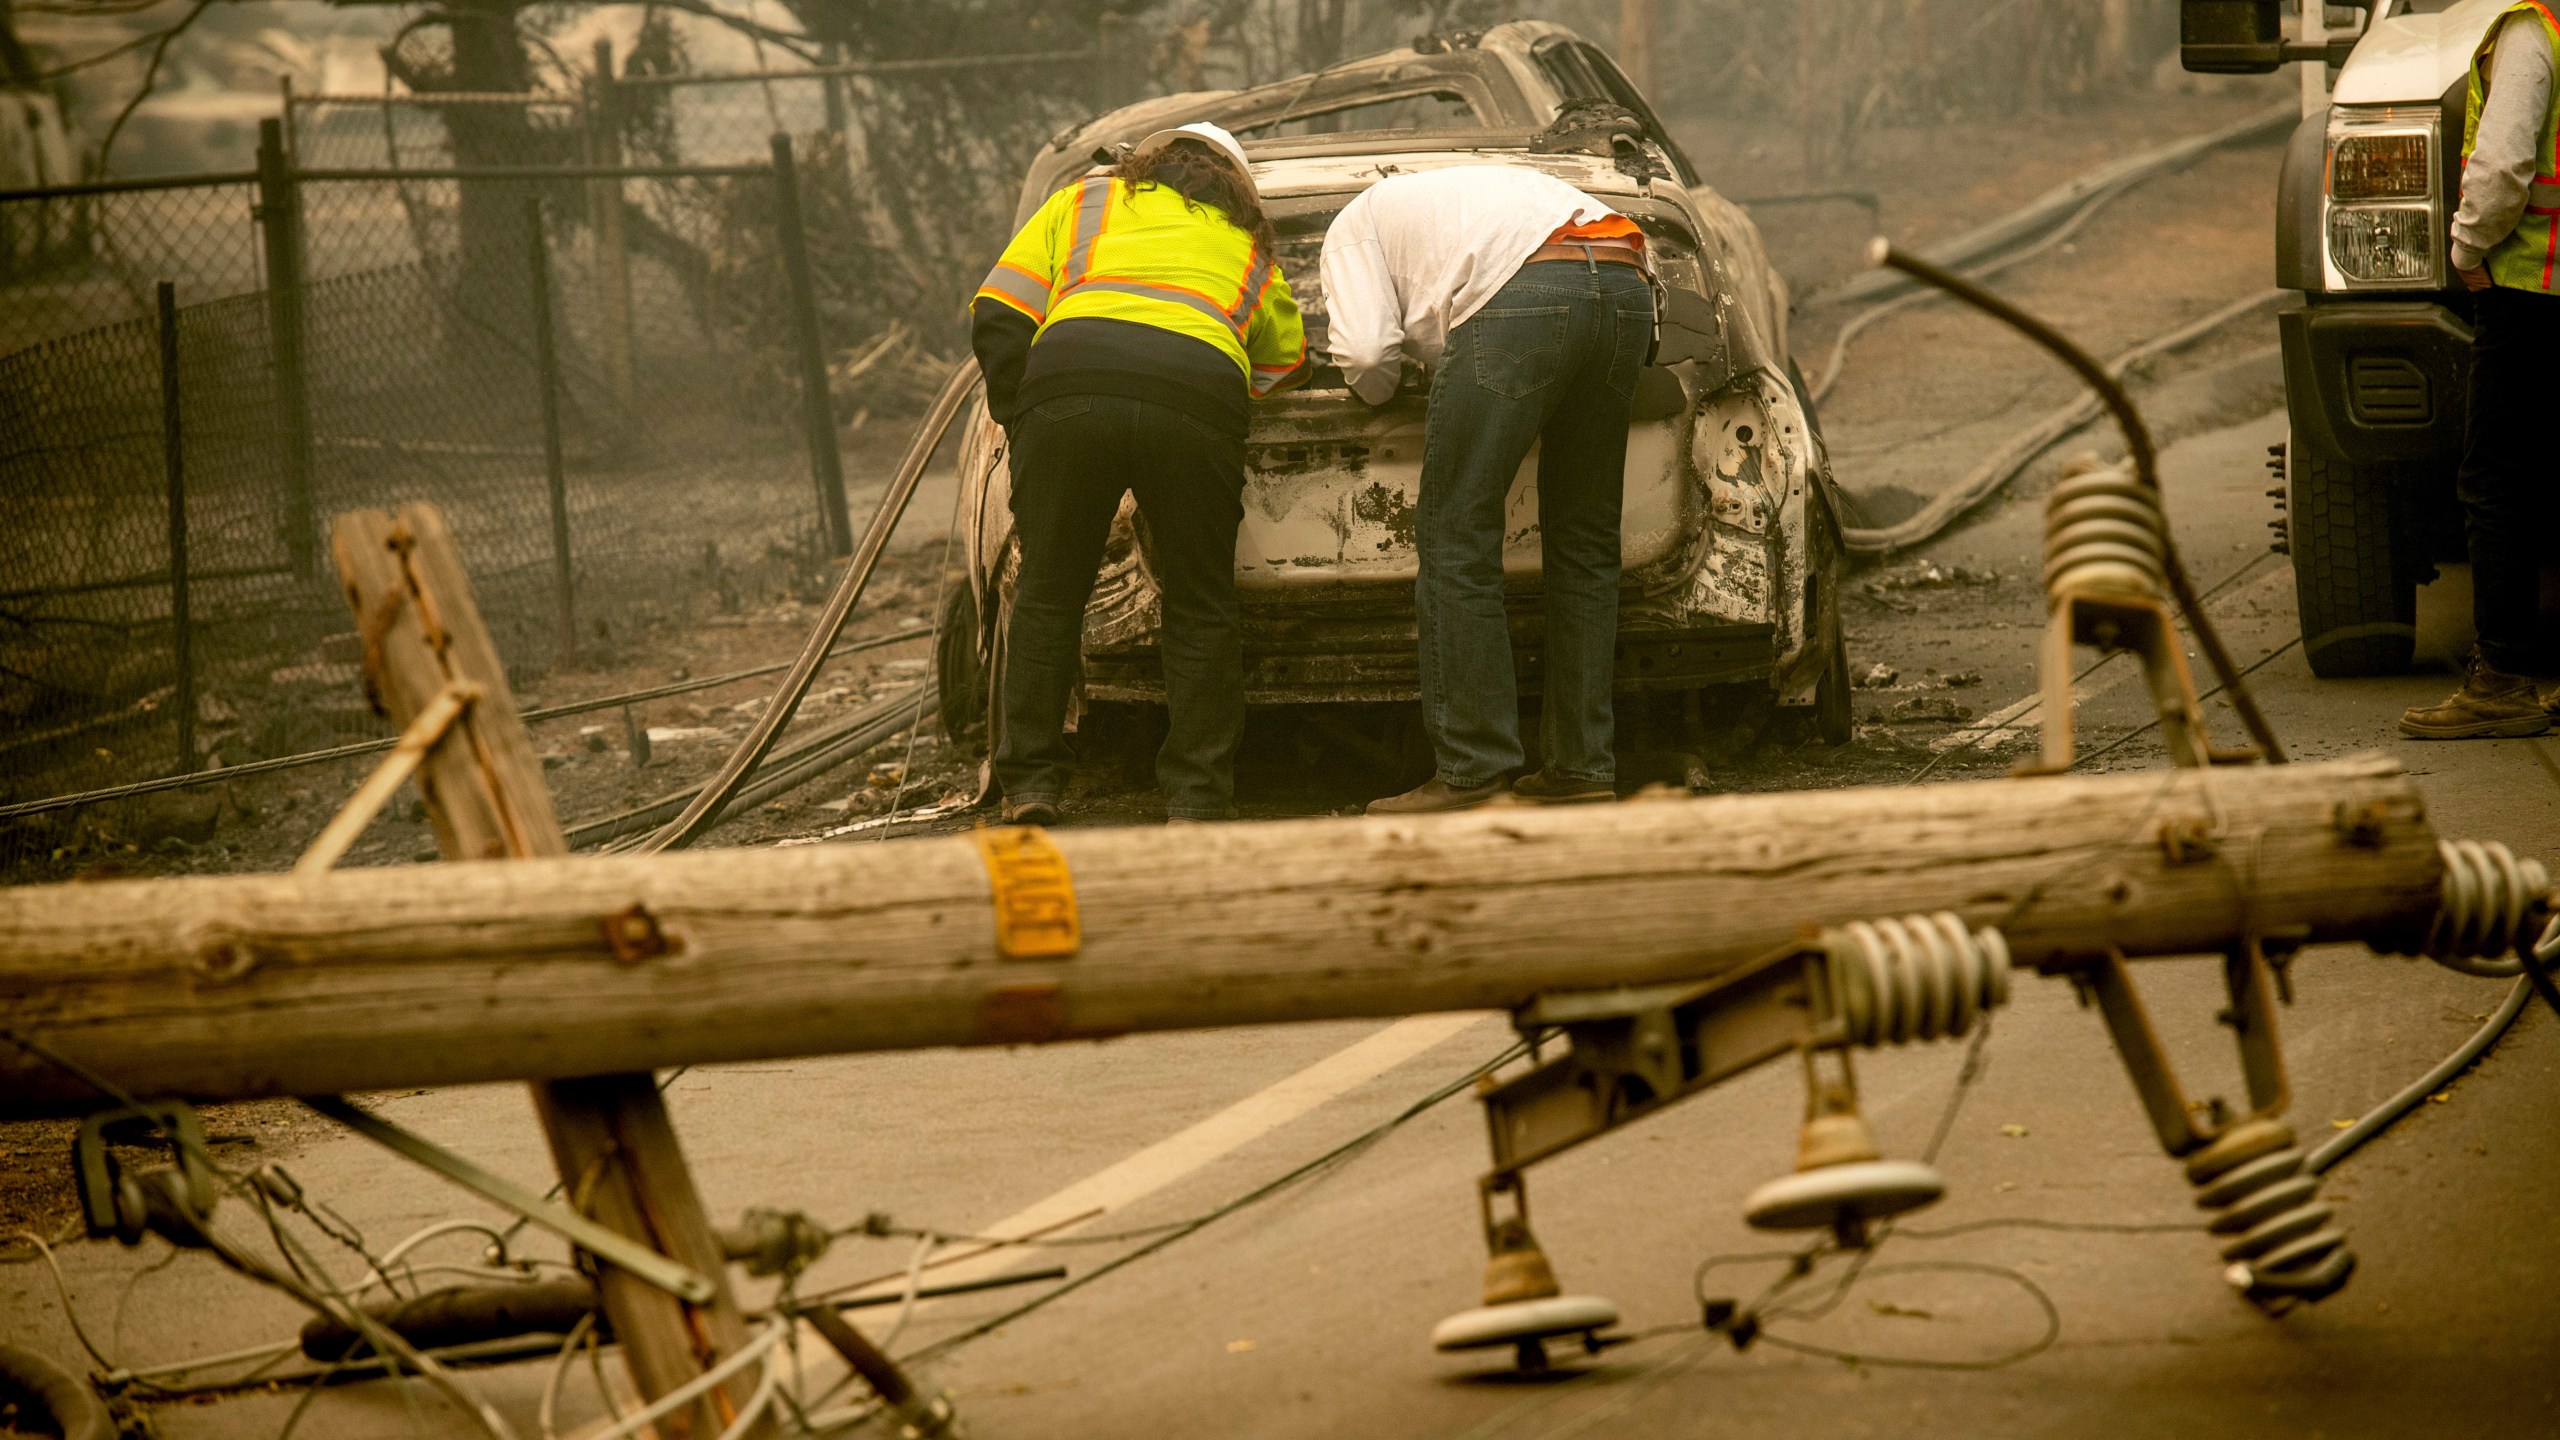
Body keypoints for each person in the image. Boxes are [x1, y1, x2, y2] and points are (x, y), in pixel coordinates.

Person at [969, 122, 1306, 824]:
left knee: (1048, 594)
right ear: (1234, 184)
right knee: (1200, 602)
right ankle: (1197, 794)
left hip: (1071, 387)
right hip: (1195, 398)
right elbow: (1284, 363)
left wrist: (1023, 415)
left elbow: (999, 310)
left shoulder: (1085, 201)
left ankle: (1030, 783)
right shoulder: (1249, 248)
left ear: (1149, 159)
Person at [1321, 114, 1657, 813]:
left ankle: (1472, 770)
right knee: (1587, 541)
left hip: (1522, 293)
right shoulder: (1477, 194)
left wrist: (1384, 392)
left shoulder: (1354, 222)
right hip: (1625, 277)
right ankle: (1582, 767)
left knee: (1458, 534)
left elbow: (1364, 355)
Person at [2401, 0, 2560, 740]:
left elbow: (2501, 167)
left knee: (2497, 483)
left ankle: (2500, 677)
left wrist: (2465, 249)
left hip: (2530, 291)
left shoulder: (2531, 32)